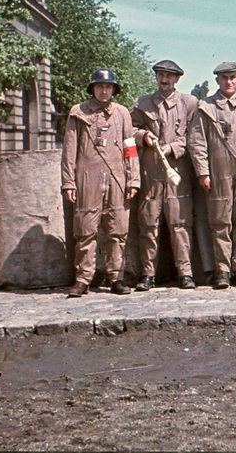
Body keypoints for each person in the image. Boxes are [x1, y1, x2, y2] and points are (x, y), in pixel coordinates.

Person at [61, 68, 140, 297]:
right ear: (92, 88)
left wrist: (132, 179)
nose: (104, 91)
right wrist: (68, 182)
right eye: (99, 86)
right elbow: (69, 150)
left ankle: (116, 277)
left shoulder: (122, 113)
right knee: (85, 230)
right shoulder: (78, 112)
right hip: (87, 178)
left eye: (108, 87)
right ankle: (83, 279)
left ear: (114, 89)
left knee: (118, 230)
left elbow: (129, 147)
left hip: (117, 178)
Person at [188, 62, 236, 289]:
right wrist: (203, 172)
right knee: (220, 222)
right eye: (224, 78)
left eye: (232, 77)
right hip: (217, 174)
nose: (229, 82)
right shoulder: (206, 107)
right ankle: (222, 270)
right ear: (217, 81)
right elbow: (197, 143)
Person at [130, 59, 198, 291]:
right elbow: (129, 130)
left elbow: (195, 137)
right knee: (148, 224)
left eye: (169, 76)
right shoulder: (142, 103)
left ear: (177, 79)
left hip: (177, 174)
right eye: (160, 75)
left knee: (181, 224)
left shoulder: (189, 103)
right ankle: (148, 274)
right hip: (150, 173)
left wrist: (175, 147)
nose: (164, 79)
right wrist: (142, 137)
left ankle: (185, 273)